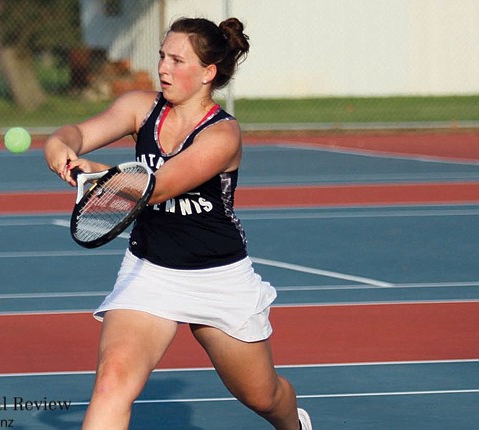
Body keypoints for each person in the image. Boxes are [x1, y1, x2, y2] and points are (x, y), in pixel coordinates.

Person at [44, 17, 312, 430]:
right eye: (161, 57)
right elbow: (76, 132)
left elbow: (160, 185)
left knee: (264, 397)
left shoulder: (223, 134)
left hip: (218, 277)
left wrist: (102, 173)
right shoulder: (140, 107)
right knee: (112, 382)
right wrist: (61, 145)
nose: (163, 68)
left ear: (208, 73)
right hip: (150, 270)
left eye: (176, 60)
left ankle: (296, 424)